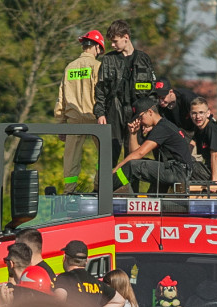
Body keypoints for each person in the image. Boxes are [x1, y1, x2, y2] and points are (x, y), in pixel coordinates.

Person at [94, 19, 155, 167]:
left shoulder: (143, 59)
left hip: (137, 114)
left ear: (126, 37)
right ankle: (107, 189)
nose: (112, 45)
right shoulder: (108, 59)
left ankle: (131, 190)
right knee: (109, 154)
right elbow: (100, 90)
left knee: (133, 156)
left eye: (115, 41)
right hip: (113, 111)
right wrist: (100, 113)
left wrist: (150, 118)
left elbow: (152, 93)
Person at [56, 30, 104, 194]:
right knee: (104, 154)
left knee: (71, 158)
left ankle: (69, 190)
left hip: (74, 121)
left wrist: (61, 125)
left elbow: (61, 98)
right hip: (95, 119)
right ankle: (99, 187)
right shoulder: (98, 67)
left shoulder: (70, 67)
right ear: (97, 47)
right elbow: (102, 95)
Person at [113, 97, 194, 194]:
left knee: (132, 166)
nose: (140, 121)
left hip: (178, 171)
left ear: (150, 112)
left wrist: (116, 169)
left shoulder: (162, 128)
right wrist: (133, 134)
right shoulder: (160, 127)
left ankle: (104, 190)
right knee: (134, 165)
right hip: (171, 169)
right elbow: (135, 154)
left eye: (140, 117)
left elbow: (139, 153)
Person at [188, 97, 217, 184]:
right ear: (190, 114)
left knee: (186, 168)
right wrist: (185, 155)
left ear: (208, 113)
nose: (198, 117)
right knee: (182, 163)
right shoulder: (199, 127)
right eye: (194, 113)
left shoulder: (212, 129)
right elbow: (193, 142)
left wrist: (215, 182)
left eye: (201, 113)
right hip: (208, 165)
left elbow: (215, 155)